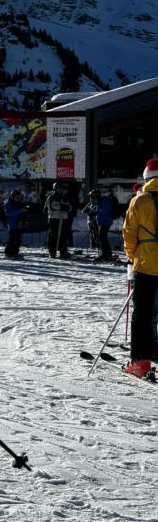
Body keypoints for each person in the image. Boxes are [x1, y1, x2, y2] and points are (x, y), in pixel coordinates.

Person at [122, 159, 158, 378]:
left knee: (143, 315)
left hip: (146, 266)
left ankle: (140, 362)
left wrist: (132, 258)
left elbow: (129, 233)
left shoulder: (141, 200)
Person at [45, 183, 72, 259]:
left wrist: (67, 208)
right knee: (53, 236)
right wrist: (62, 207)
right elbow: (52, 206)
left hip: (63, 219)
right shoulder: (51, 197)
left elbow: (69, 207)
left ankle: (63, 253)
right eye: (58, 188)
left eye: (61, 188)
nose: (60, 190)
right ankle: (52, 252)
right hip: (54, 218)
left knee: (63, 236)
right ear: (55, 188)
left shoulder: (64, 197)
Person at [3, 189, 27, 258]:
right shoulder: (8, 203)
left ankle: (15, 253)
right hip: (12, 224)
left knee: (18, 240)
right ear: (13, 196)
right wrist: (20, 210)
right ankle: (8, 253)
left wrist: (24, 211)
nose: (18, 198)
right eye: (17, 197)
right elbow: (8, 213)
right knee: (12, 240)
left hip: (19, 224)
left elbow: (19, 212)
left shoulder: (18, 203)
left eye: (19, 197)